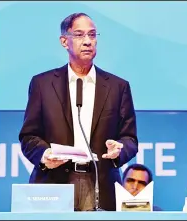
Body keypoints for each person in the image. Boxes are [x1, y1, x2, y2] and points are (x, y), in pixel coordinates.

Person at [18, 12, 138, 211]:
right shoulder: (43, 84)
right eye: (80, 35)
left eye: (92, 35)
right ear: (64, 41)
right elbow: (29, 136)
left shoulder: (118, 87)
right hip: (54, 183)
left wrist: (119, 150)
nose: (88, 41)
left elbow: (130, 139)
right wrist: (44, 155)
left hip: (100, 183)